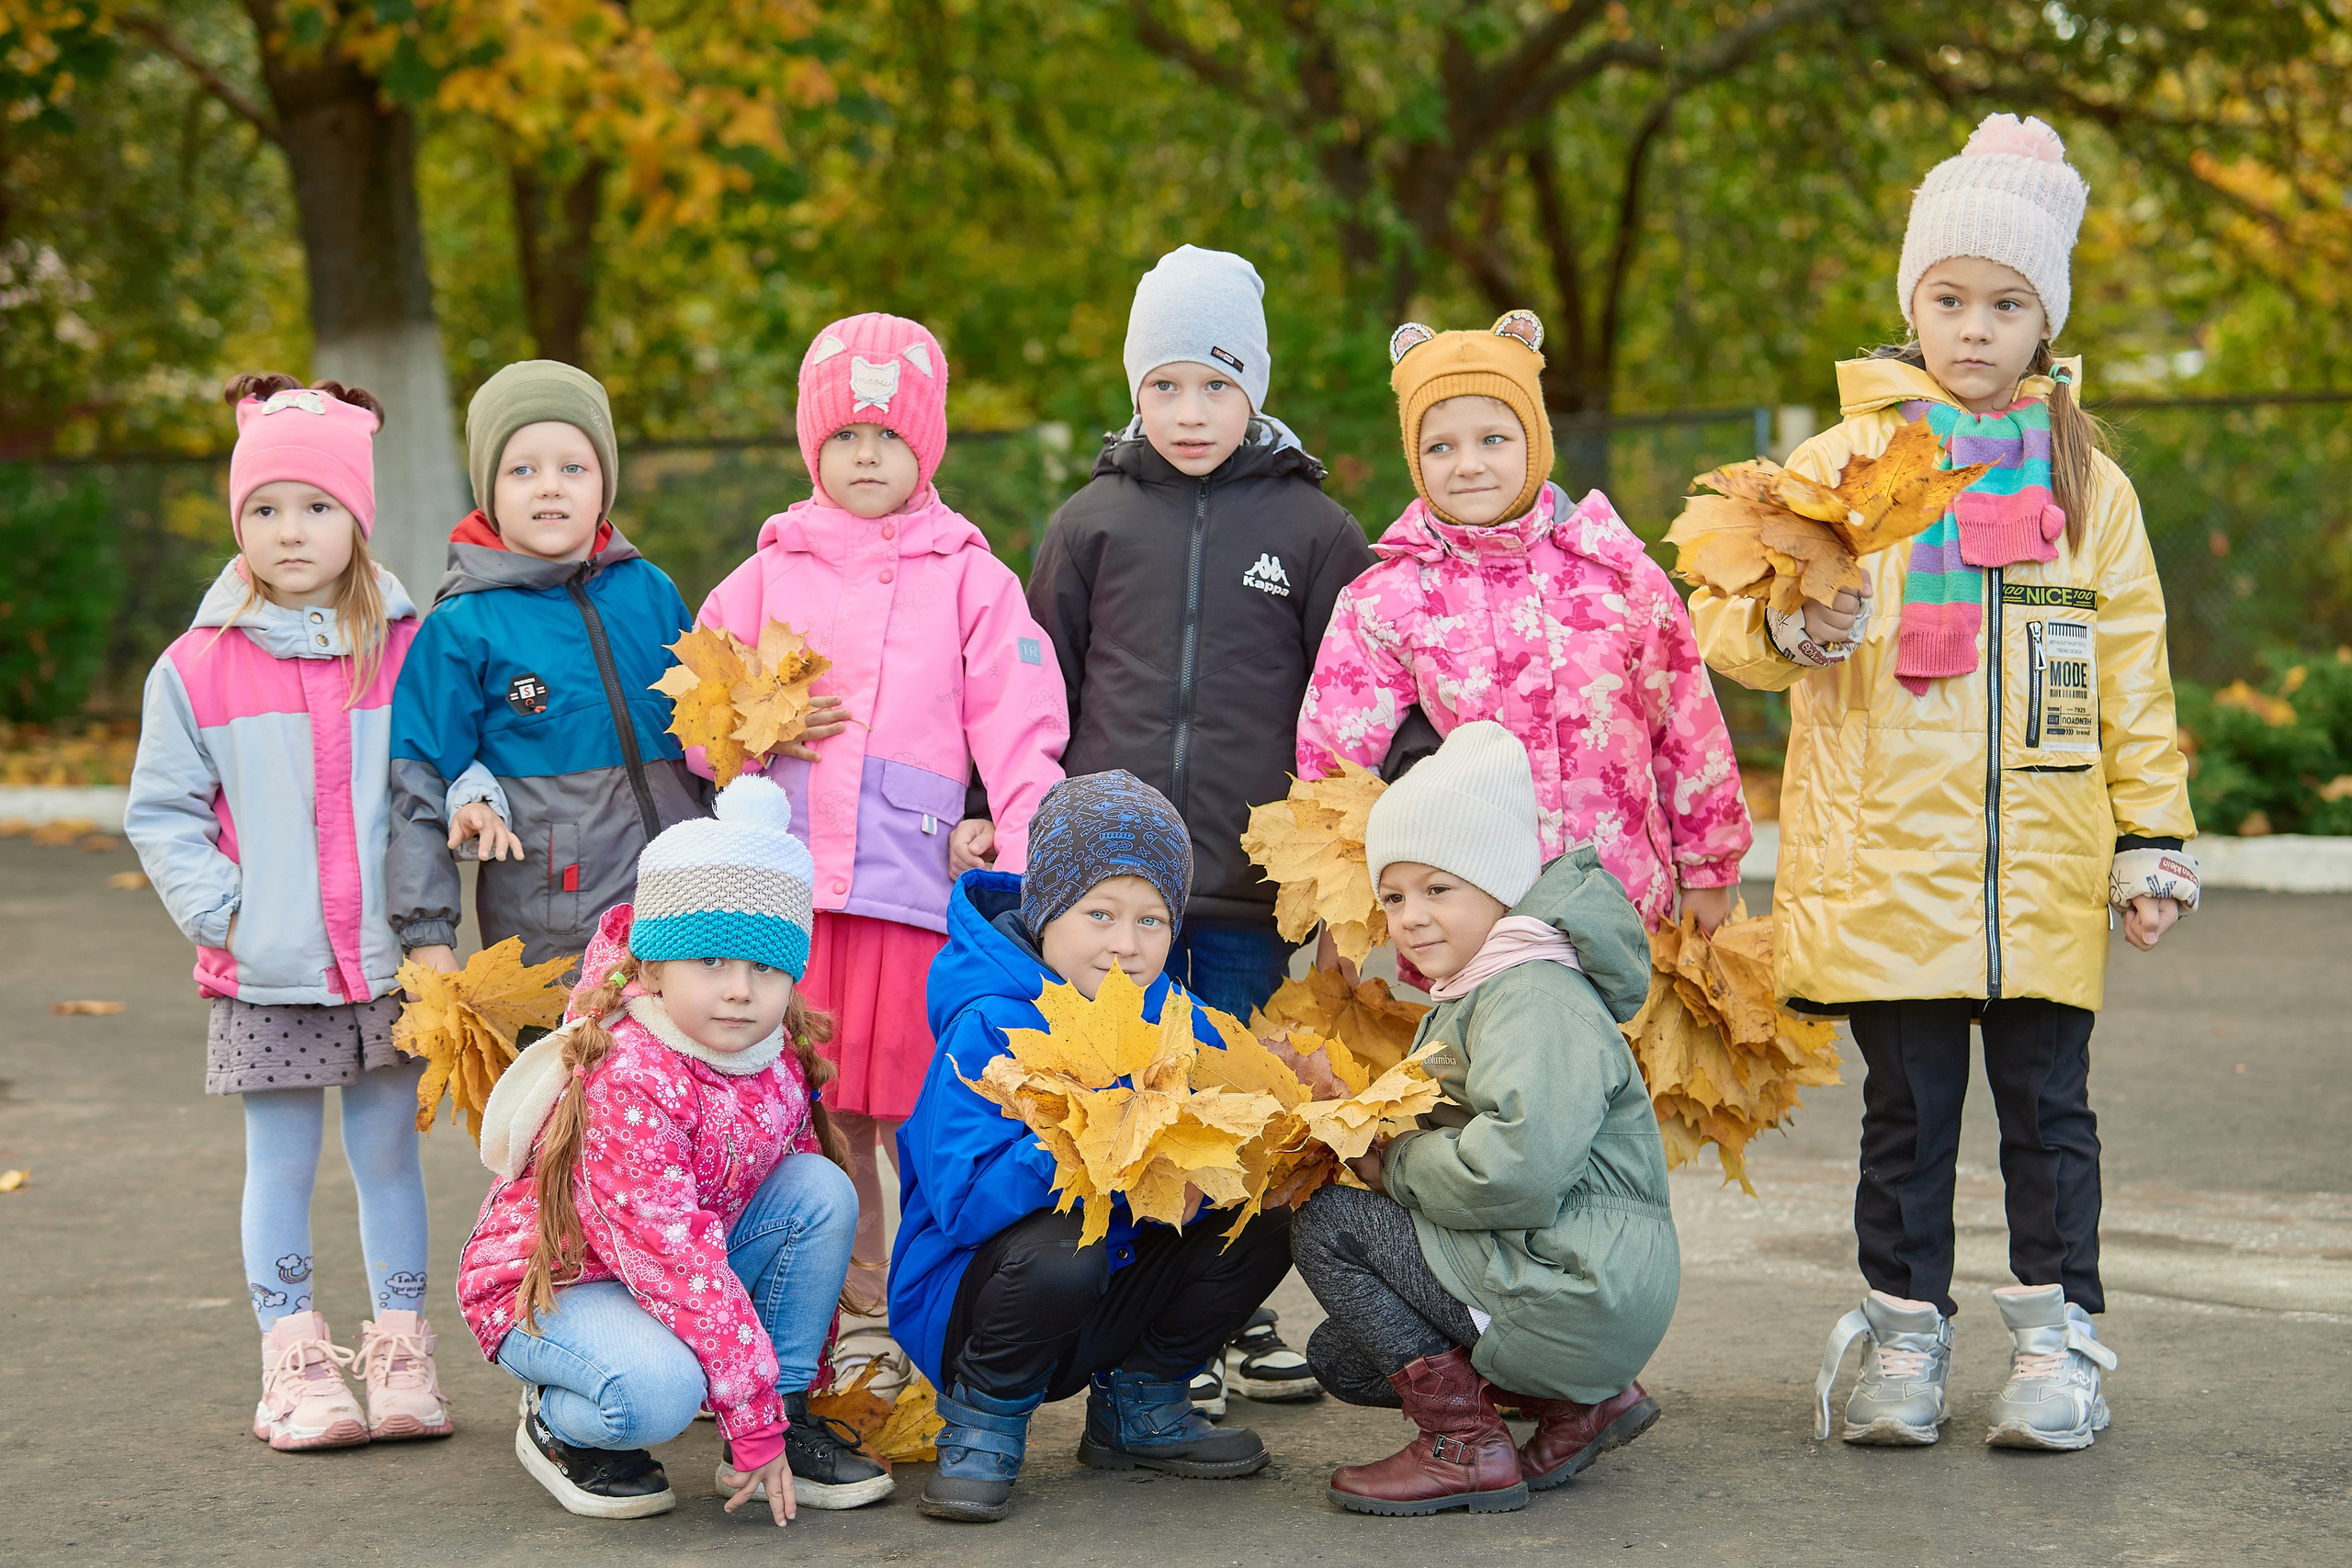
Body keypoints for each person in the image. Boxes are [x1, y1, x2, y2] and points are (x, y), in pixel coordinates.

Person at [1688, 113, 2199, 1452]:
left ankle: (2059, 1344)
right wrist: (1796, 628)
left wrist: (2149, 836)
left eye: (2008, 303)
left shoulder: (2094, 488)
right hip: (1884, 865)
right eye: (1952, 298)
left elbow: (2134, 670)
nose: (1976, 327)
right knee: (1906, 1120)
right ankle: (1904, 1341)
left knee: (2050, 1116)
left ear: (2048, 323)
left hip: (2041, 864)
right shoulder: (1844, 470)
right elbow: (1728, 620)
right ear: (1912, 303)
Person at [692, 311, 1069, 1387]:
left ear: (927, 449)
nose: (867, 456)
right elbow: (702, 716)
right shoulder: (763, 577)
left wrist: (1017, 837)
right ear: (813, 447)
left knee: (927, 1114)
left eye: (890, 437)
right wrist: (755, 730)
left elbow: (1022, 721)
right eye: (846, 436)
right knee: (815, 1116)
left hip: (917, 893)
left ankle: (938, 1312)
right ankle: (835, 1324)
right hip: (795, 903)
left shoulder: (972, 578)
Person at [126, 373, 455, 1451]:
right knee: (279, 1163)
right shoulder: (197, 668)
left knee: (388, 1158)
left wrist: (478, 806)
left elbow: (448, 764)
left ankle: (402, 1351)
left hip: (384, 964)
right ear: (239, 525)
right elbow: (163, 811)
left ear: (356, 518)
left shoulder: (407, 650)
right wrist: (224, 912)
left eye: (315, 506)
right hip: (266, 967)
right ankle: (295, 1363)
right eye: (263, 510)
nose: (289, 530)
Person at [458, 776, 888, 1522]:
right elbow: (672, 1255)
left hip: (674, 1272)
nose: (739, 992)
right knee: (657, 1393)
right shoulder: (631, 1073)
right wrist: (743, 1413)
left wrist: (767, 1411)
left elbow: (766, 1249)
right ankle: (560, 1424)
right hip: (564, 1286)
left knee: (819, 1186)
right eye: (711, 962)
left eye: (765, 967)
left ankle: (785, 1411)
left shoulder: (772, 1055)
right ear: (653, 968)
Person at [1291, 721, 1676, 1517]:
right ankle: (1584, 1404)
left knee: (1327, 1223)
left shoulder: (1531, 995)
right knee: (1346, 1354)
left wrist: (1390, 1163)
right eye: (1394, 896)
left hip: (1574, 1283)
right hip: (1569, 1277)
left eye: (1440, 888)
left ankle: (1464, 1445)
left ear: (1500, 884)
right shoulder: (1487, 983)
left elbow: (1517, 1169)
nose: (1412, 916)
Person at [890, 772, 1296, 1523]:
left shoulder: (1175, 1016)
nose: (1125, 944)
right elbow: (964, 1200)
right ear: (1047, 913)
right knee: (1063, 1240)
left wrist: (1276, 1116)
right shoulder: (988, 1023)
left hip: (1111, 1294)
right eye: (1100, 913)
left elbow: (1238, 1119)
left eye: (1151, 920)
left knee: (1270, 1206)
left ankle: (1140, 1404)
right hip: (977, 1301)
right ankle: (982, 1424)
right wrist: (1082, 1142)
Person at [1295, 311, 1749, 942]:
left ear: (1534, 440)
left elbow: (1686, 726)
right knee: (1473, 1045)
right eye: (1440, 447)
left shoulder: (1620, 579)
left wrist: (1709, 865)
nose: (1469, 464)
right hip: (1473, 922)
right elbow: (1335, 764)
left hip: (1623, 903)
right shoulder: (1389, 600)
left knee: (1619, 1042)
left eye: (1494, 439)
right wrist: (1341, 915)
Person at [388, 359, 710, 975]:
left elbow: (706, 741)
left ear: (602, 484)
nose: (549, 486)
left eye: (573, 467)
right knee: (571, 1073)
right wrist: (429, 933)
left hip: (684, 915)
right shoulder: (463, 626)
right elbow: (419, 784)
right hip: (555, 940)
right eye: (522, 470)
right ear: (489, 490)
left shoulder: (651, 592)